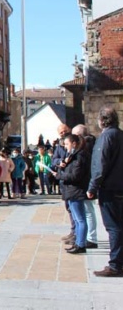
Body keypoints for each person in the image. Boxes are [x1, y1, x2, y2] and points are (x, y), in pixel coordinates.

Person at [87, 107, 123, 277]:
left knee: (114, 227)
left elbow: (101, 165)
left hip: (110, 188)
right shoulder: (120, 134)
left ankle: (115, 264)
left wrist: (92, 187)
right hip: (119, 185)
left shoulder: (107, 136)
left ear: (102, 120)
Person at [57, 134, 91, 254]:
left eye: (67, 144)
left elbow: (75, 175)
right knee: (76, 219)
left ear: (74, 143)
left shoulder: (80, 156)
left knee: (80, 219)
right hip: (71, 191)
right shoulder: (73, 156)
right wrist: (62, 166)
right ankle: (77, 241)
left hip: (76, 190)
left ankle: (81, 243)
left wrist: (60, 175)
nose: (65, 147)